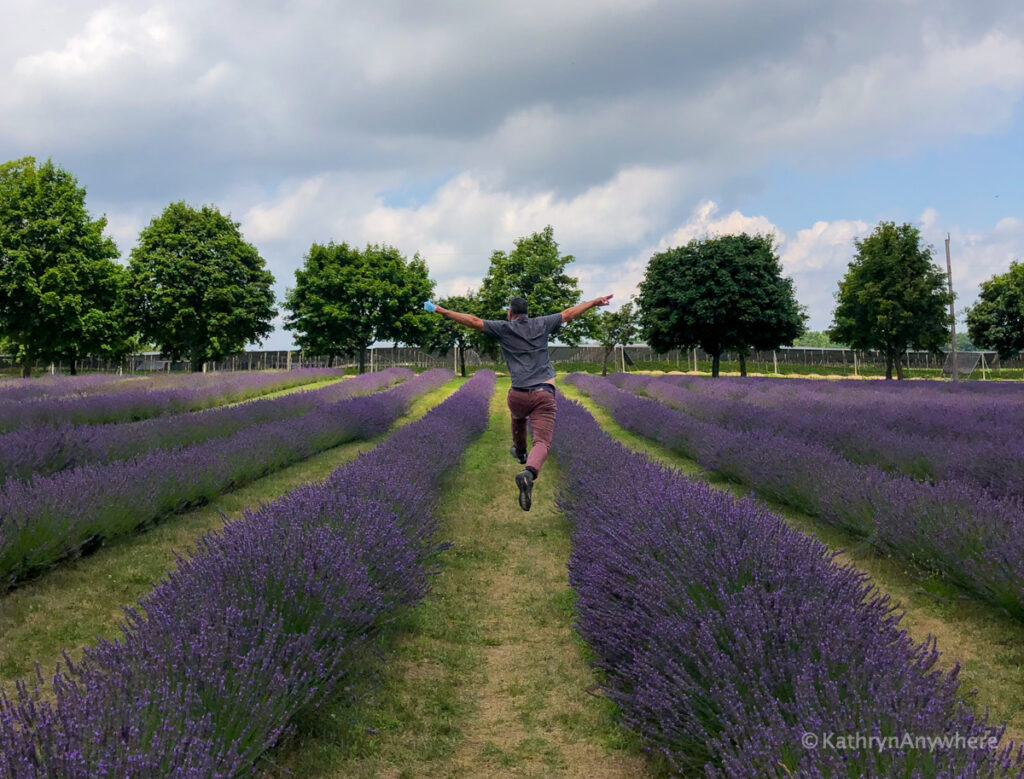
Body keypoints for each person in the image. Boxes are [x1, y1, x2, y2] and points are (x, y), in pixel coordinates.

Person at [423, 294, 612, 510]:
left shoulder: (504, 328)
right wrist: (594, 302)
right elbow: (569, 313)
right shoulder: (542, 323)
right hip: (544, 392)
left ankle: (520, 451)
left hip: (518, 392)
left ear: (510, 313)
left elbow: (474, 321)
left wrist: (441, 310)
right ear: (527, 312)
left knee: (518, 416)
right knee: (541, 442)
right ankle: (528, 472)